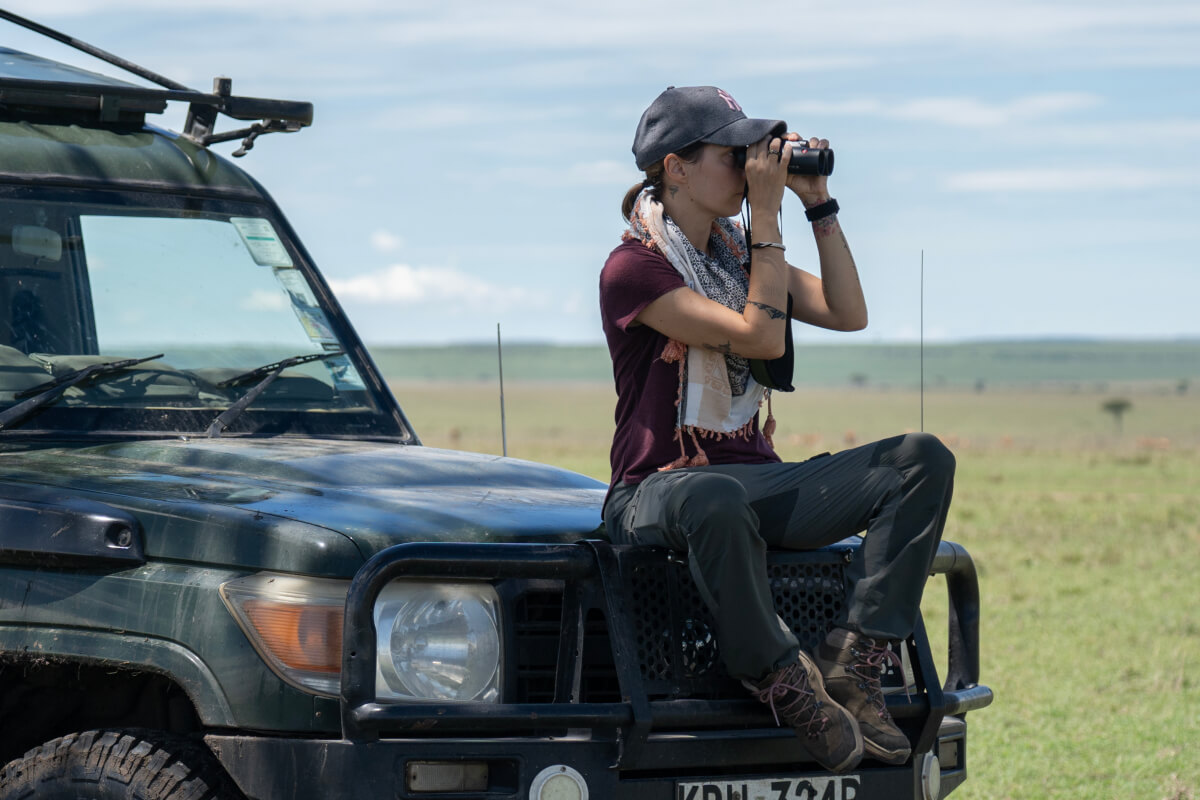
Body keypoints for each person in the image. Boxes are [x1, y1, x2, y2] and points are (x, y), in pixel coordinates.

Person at [598, 85, 956, 774]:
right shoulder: (632, 268)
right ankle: (780, 677)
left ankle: (855, 661)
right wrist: (766, 212)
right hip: (658, 491)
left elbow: (849, 312)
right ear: (675, 168)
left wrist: (816, 201)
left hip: (753, 482)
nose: (747, 168)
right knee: (714, 496)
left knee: (921, 458)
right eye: (732, 155)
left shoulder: (739, 257)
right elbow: (758, 338)